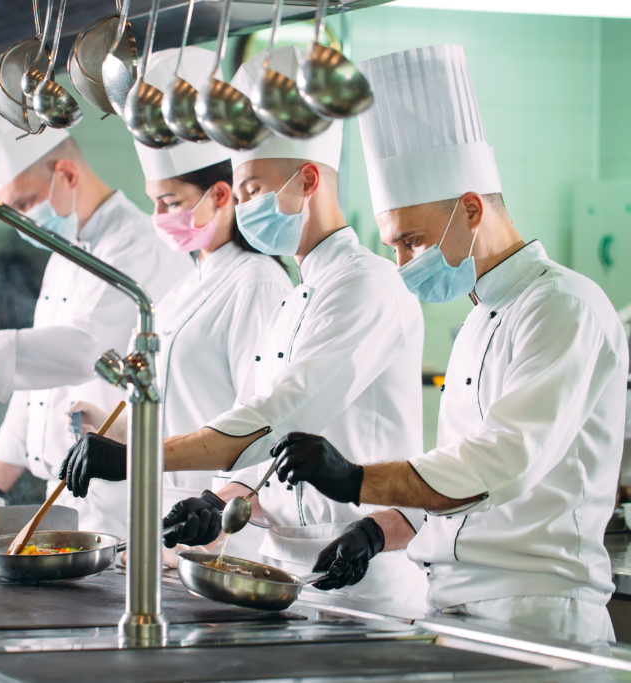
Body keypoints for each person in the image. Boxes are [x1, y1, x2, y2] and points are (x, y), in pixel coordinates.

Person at [270, 44, 629, 642]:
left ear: (470, 209)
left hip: (538, 614)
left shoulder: (561, 307)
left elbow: (499, 467)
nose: (402, 262)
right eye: (393, 245)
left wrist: (356, 477)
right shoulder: (482, 317)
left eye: (411, 241)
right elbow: (459, 480)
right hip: (456, 609)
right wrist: (376, 531)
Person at [60, 46, 428, 607]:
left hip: (362, 587)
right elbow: (269, 458)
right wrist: (218, 501)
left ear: (308, 180)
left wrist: (137, 454)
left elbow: (280, 418)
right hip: (282, 580)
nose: (245, 204)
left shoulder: (366, 285)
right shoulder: (295, 297)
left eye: (253, 189)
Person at [0, 80, 190, 538]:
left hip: (121, 509)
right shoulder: (65, 254)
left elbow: (82, 351)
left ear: (66, 174)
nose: (22, 221)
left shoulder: (140, 247)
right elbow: (35, 390)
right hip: (63, 503)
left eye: (24, 204)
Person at [67, 47, 294, 562]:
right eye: (154, 201)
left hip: (219, 533)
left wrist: (214, 520)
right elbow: (177, 409)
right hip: (169, 525)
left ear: (221, 195)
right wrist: (112, 427)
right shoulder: (184, 288)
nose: (159, 216)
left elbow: (260, 424)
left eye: (170, 203)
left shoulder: (256, 283)